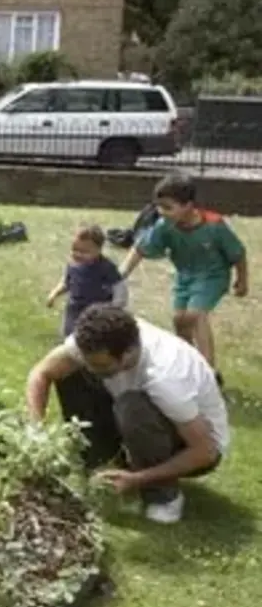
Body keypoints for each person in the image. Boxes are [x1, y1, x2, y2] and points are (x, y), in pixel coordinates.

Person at [26, 305, 228, 524]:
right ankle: (104, 465)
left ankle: (163, 497)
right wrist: (37, 431)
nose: (93, 369)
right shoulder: (96, 339)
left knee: (132, 408)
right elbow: (41, 373)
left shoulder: (166, 378)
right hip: (149, 411)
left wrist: (138, 479)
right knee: (69, 372)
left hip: (196, 445)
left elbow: (205, 451)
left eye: (101, 365)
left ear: (129, 353)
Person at [119, 172, 249, 371]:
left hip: (212, 277)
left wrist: (242, 280)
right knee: (179, 321)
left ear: (188, 206)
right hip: (185, 278)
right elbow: (140, 248)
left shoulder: (214, 226)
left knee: (196, 316)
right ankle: (190, 365)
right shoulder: (165, 226)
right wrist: (122, 273)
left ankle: (208, 370)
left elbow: (238, 254)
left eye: (168, 207)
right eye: (159, 207)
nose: (162, 212)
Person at [46, 223, 128, 338]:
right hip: (74, 308)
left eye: (84, 252)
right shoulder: (73, 264)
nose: (78, 254)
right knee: (69, 335)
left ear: (99, 250)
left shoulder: (105, 267)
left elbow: (119, 287)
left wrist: (116, 306)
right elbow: (67, 282)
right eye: (74, 249)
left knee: (93, 337)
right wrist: (54, 294)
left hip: (96, 311)